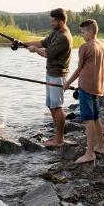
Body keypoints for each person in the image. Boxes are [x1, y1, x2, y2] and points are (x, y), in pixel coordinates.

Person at [24, 8, 73, 147]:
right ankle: (56, 137)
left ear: (61, 22)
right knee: (52, 106)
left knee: (57, 107)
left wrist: (35, 50)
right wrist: (22, 43)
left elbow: (47, 53)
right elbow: (42, 43)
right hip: (51, 74)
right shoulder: (56, 32)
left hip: (58, 76)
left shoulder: (64, 37)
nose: (51, 23)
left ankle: (59, 140)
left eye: (53, 21)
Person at [64, 19, 104, 164]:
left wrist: (67, 83)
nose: (82, 35)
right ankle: (100, 146)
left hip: (85, 87)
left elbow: (79, 69)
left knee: (88, 120)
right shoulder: (103, 46)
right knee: (96, 117)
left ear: (90, 31)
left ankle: (89, 153)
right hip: (98, 88)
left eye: (83, 32)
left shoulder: (85, 47)